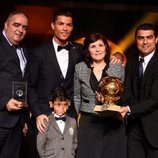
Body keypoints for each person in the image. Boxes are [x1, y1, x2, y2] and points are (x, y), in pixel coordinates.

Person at [28, 9, 83, 134]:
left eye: (68, 25)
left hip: (70, 117)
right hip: (44, 117)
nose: (65, 28)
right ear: (53, 25)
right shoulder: (38, 53)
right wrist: (38, 113)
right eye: (61, 24)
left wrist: (114, 58)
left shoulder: (79, 50)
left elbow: (97, 59)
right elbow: (30, 87)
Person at [74, 32, 127, 158]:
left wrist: (110, 103)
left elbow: (122, 96)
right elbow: (76, 97)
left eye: (100, 45)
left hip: (112, 122)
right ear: (87, 49)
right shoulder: (80, 68)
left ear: (106, 47)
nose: (97, 49)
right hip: (89, 122)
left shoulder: (117, 67)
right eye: (93, 46)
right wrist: (74, 121)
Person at [120, 23, 158, 158]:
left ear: (156, 39)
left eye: (149, 37)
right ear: (136, 40)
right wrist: (112, 102)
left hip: (154, 129)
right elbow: (127, 92)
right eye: (141, 38)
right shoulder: (131, 62)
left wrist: (128, 109)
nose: (145, 42)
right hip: (134, 128)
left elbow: (154, 100)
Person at [0, 11, 29, 158]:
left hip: (17, 122)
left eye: (24, 27)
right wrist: (4, 101)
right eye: (16, 25)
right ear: (6, 25)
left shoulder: (23, 49)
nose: (20, 30)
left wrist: (24, 119)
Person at [37, 87, 77, 158]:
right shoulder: (45, 122)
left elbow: (74, 141)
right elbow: (40, 144)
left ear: (68, 104)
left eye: (65, 104)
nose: (62, 108)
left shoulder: (72, 122)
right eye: (58, 105)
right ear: (51, 104)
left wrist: (71, 153)